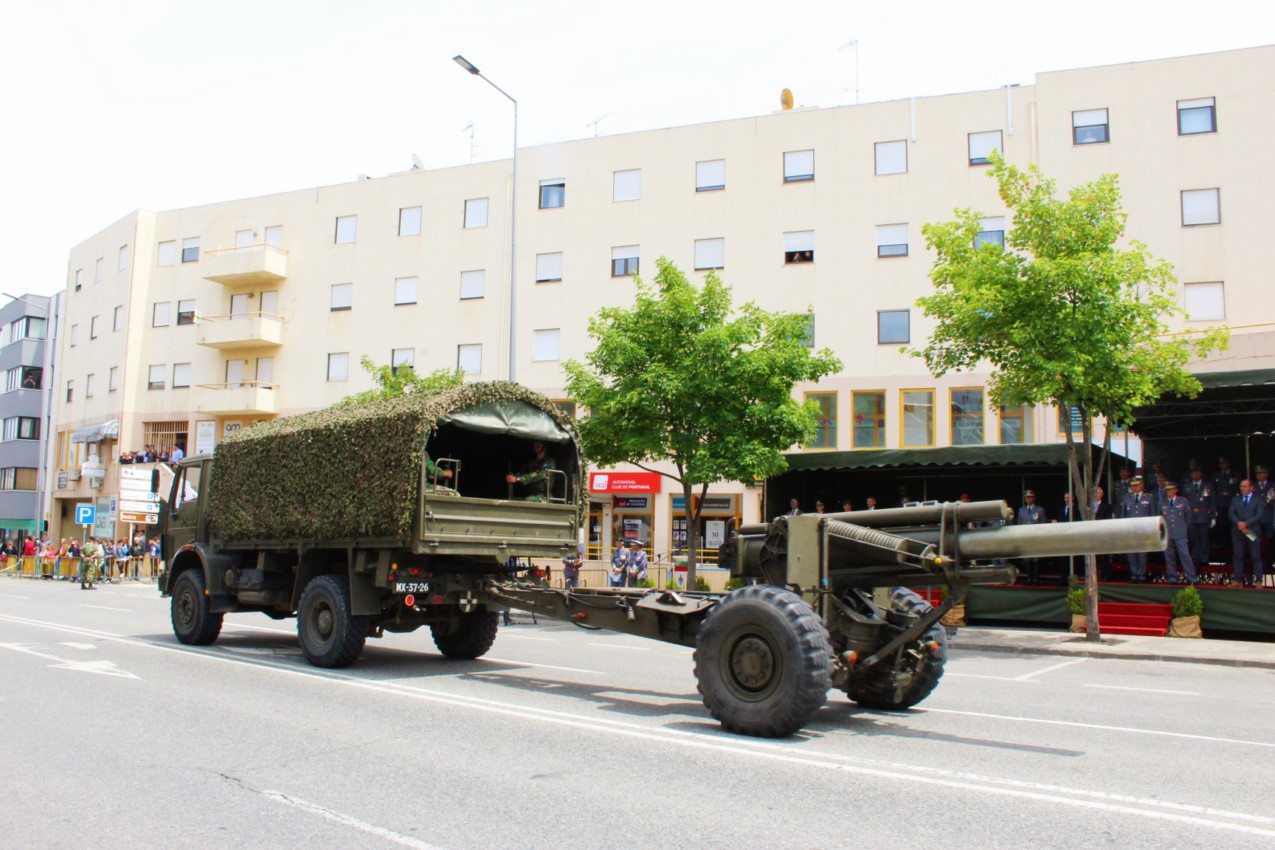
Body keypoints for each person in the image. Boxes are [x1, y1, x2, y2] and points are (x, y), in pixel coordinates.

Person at [1229, 479, 1264, 587]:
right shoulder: (1236, 499)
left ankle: (1258, 580)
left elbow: (1259, 515)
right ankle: (1238, 580)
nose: (1242, 488)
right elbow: (1231, 513)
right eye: (1241, 486)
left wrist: (1246, 524)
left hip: (1252, 532)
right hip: (1238, 532)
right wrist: (1239, 523)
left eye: (1245, 486)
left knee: (1255, 556)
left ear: (1251, 488)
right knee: (1238, 556)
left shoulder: (1258, 499)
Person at [1161, 482, 1197, 584]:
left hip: (1180, 533)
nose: (1168, 492)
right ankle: (1172, 578)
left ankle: (1192, 578)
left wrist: (1184, 529)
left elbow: (1188, 518)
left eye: (1170, 489)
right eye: (1166, 490)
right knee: (1169, 557)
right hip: (1167, 534)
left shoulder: (1183, 501)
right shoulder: (1162, 502)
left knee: (1185, 556)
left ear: (1175, 490)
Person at [1121, 477, 1156, 583]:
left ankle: (1141, 574)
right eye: (1132, 485)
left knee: (1142, 553)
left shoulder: (1149, 497)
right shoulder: (1126, 497)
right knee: (1131, 553)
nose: (1134, 487)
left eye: (1136, 485)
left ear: (1142, 485)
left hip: (1143, 530)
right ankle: (1134, 573)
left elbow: (1152, 514)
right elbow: (1123, 514)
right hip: (1130, 530)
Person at [1182, 468, 1215, 567]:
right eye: (1193, 473)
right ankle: (1195, 558)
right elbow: (1183, 502)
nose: (1195, 475)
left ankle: (1204, 559)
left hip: (1204, 515)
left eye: (1197, 472)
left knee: (1204, 538)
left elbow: (1213, 501)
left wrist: (1213, 516)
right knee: (1193, 538)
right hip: (1191, 516)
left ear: (1201, 473)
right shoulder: (1187, 486)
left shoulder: (1208, 485)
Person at [1015, 490, 1047, 585]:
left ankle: (1036, 579)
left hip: (1036, 538)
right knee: (1027, 559)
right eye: (1027, 497)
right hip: (1025, 538)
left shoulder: (1040, 509)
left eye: (1030, 497)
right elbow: (1019, 524)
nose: (1028, 499)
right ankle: (1029, 578)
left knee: (1036, 559)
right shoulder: (1021, 510)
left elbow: (1043, 524)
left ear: (1034, 498)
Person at [1212, 456, 1239, 555]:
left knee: (1233, 526)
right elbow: (1213, 490)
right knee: (1222, 527)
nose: (1222, 465)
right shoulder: (1216, 475)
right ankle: (1224, 548)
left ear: (1229, 464)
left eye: (1224, 463)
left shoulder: (1235, 475)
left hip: (1232, 504)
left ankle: (1233, 548)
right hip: (1221, 505)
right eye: (1221, 463)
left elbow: (1238, 489)